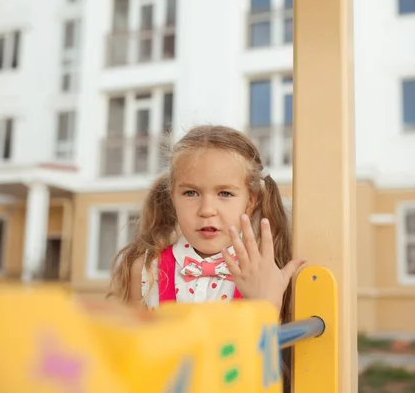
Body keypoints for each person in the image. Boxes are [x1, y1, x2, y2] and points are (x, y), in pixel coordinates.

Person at [108, 125, 306, 388]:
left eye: (225, 193)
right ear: (173, 197)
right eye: (191, 193)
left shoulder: (263, 272)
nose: (206, 210)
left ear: (251, 201)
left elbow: (264, 369)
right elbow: (131, 360)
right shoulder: (146, 270)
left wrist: (266, 305)